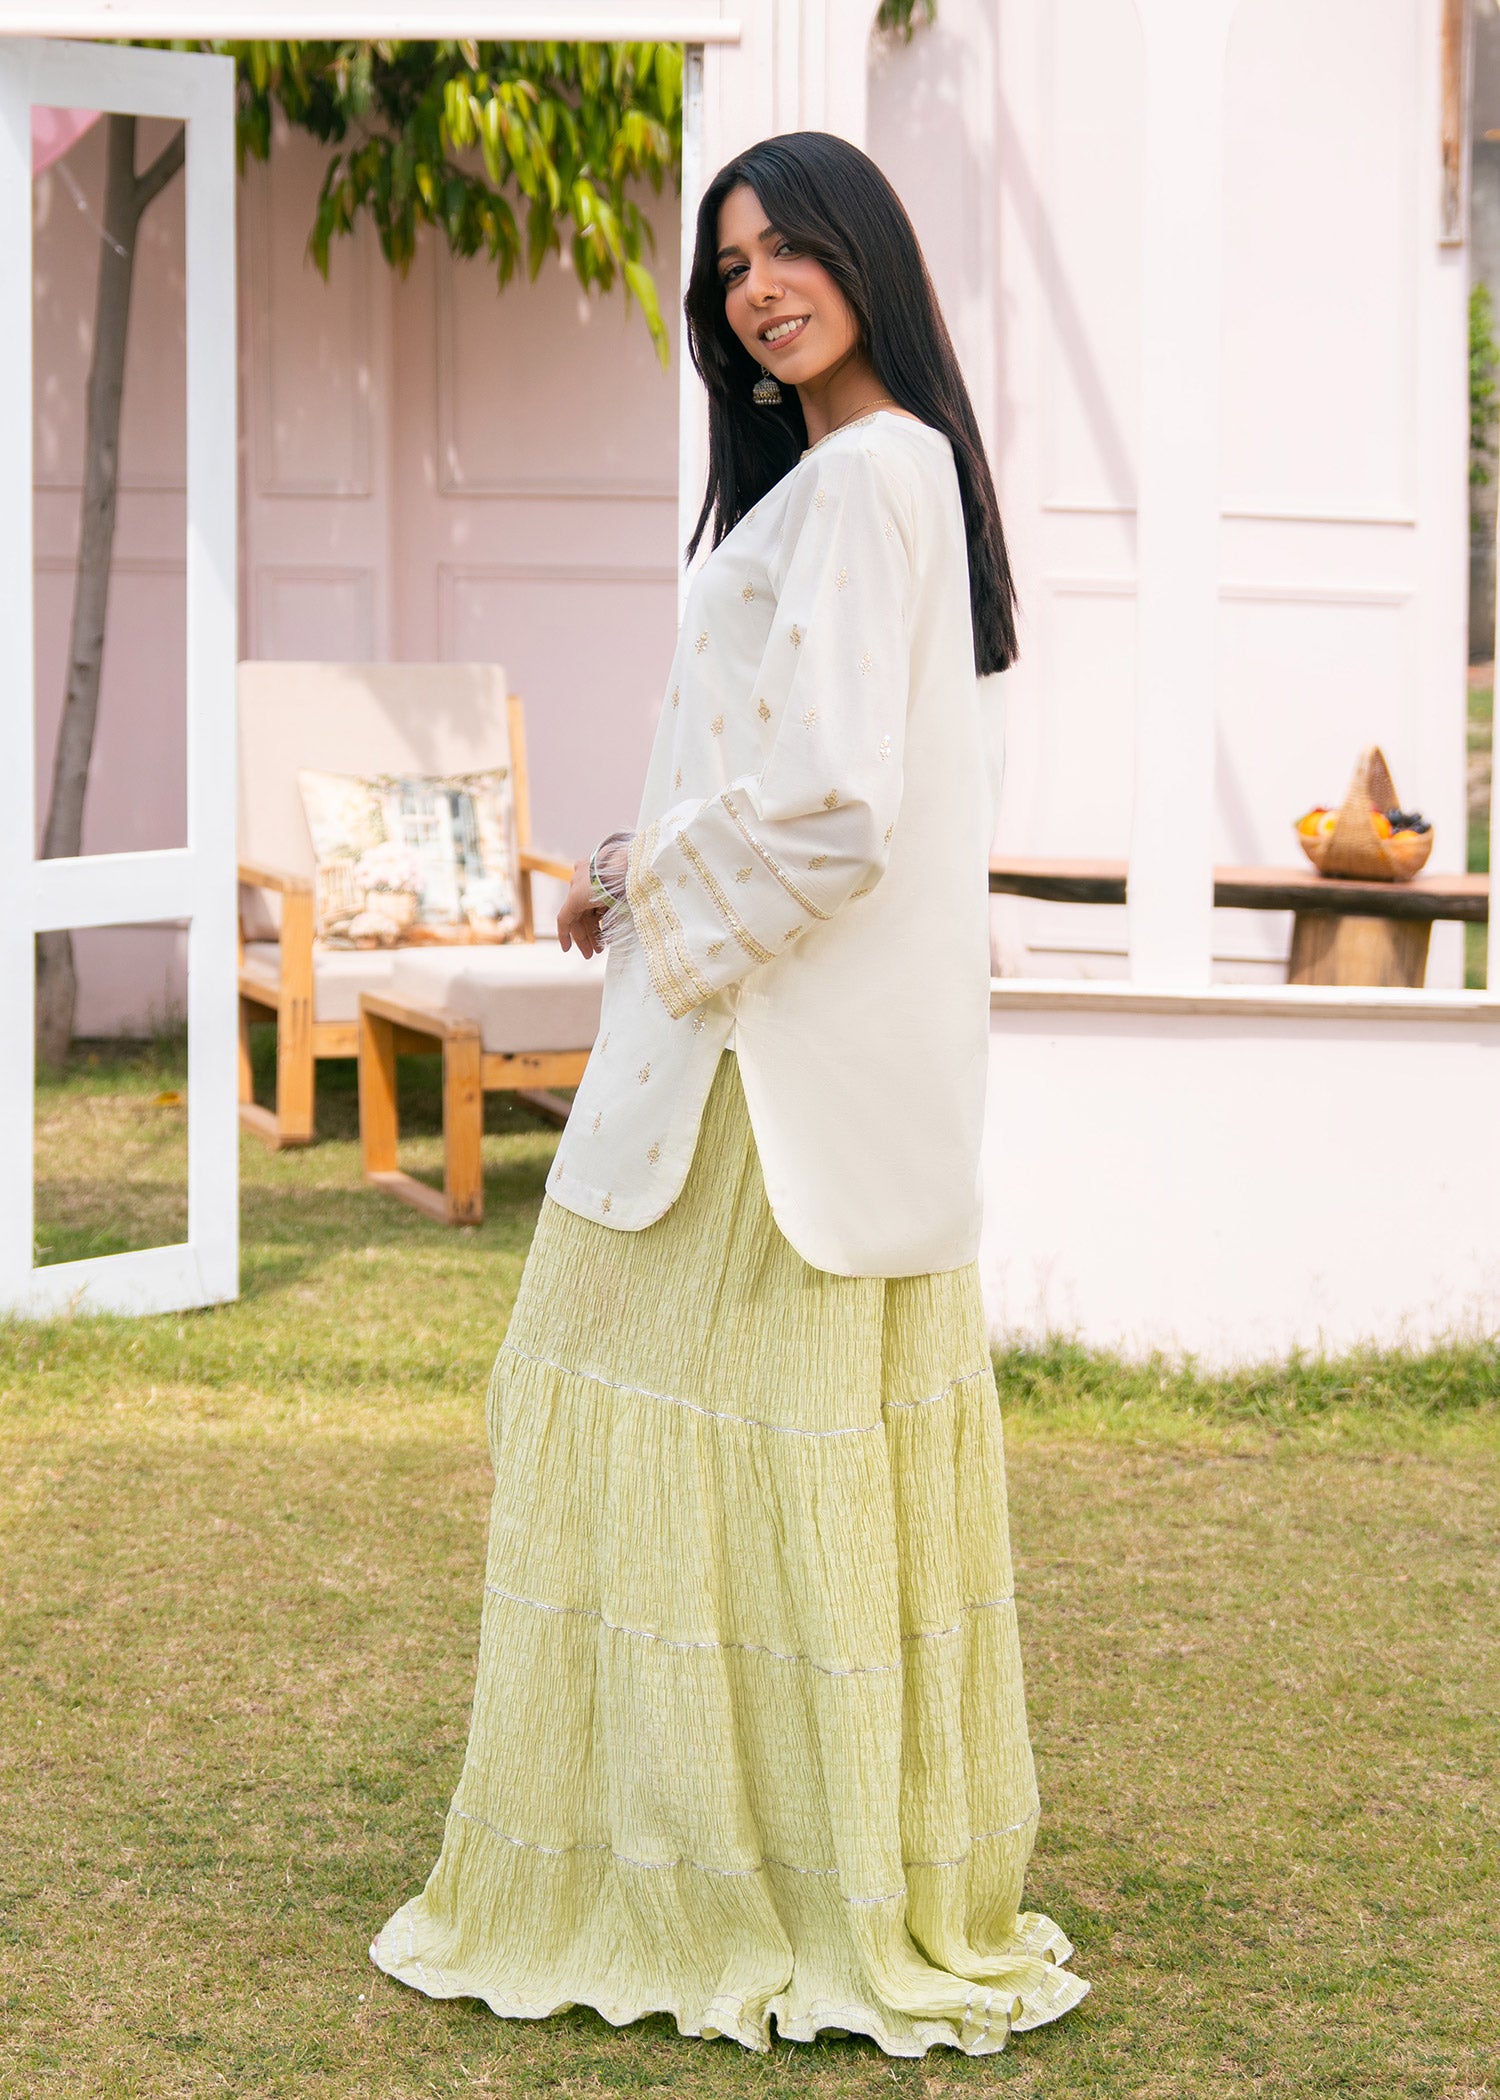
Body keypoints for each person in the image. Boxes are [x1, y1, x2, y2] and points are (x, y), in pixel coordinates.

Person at [370, 129, 1090, 2060]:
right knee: (765, 1463)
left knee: (668, 1429)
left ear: (869, 256)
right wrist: (645, 863)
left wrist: (648, 900)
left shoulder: (871, 473)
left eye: (787, 249)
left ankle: (732, 1877)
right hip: (791, 1055)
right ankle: (779, 1859)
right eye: (729, 266)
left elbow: (837, 808)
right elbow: (796, 771)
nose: (758, 289)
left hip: (766, 1079)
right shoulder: (877, 475)